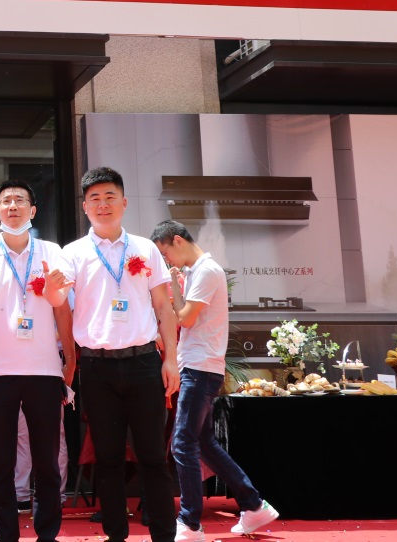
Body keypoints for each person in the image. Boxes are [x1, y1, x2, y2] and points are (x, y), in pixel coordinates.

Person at [57, 167, 179, 542]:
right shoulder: (72, 253)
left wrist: (171, 360)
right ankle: (115, 535)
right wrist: (70, 360)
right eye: (94, 198)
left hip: (144, 363)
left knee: (153, 457)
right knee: (108, 459)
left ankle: (164, 535)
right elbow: (60, 306)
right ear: (84, 207)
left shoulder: (145, 248)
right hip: (97, 367)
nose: (103, 204)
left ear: (124, 203)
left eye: (110, 197)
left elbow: (164, 307)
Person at [151, 220, 279, 542]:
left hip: (200, 367)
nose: (166, 260)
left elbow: (185, 318)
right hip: (200, 365)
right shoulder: (198, 271)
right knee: (204, 443)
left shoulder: (207, 271)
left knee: (183, 442)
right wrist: (177, 285)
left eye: (165, 253)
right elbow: (187, 317)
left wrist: (173, 288)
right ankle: (253, 505)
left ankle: (190, 523)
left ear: (177, 241)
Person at [0, 179, 72, 542]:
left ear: (32, 210)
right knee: (1, 463)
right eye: (6, 201)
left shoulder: (52, 251)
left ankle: (47, 534)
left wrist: (54, 286)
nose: (12, 206)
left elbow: (59, 303)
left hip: (44, 370)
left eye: (20, 200)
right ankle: (6, 534)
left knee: (46, 461)